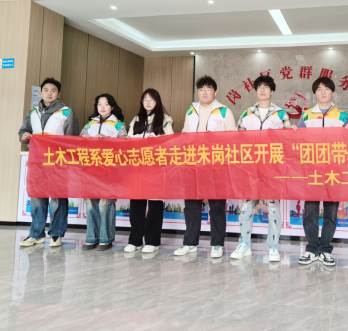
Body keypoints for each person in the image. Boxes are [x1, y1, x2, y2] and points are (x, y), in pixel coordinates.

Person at [230, 75, 292, 263]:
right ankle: (244, 244)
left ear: (272, 91)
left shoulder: (281, 114)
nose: (262, 90)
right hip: (250, 168)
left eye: (266, 87)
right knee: (247, 206)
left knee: (273, 207)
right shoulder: (246, 114)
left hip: (273, 168)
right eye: (259, 87)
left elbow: (288, 142)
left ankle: (273, 247)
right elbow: (238, 140)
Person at [174, 76, 236, 259]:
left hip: (216, 164)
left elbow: (234, 137)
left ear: (215, 92)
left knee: (217, 205)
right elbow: (185, 133)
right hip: (193, 163)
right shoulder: (191, 110)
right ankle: (190, 243)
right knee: (191, 205)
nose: (204, 92)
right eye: (201, 89)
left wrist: (215, 138)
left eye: (208, 89)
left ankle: (217, 243)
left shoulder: (224, 111)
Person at [294, 77, 348, 267]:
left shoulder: (342, 116)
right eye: (319, 89)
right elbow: (298, 141)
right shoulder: (306, 115)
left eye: (327, 89)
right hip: (312, 170)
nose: (323, 92)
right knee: (310, 212)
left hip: (333, 171)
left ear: (332, 92)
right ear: (314, 93)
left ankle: (326, 249)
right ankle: (312, 249)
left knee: (331, 213)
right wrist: (293, 132)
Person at [18, 78, 79, 248]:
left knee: (57, 198)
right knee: (37, 197)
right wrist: (24, 136)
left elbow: (73, 140)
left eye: (53, 90)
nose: (49, 93)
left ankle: (56, 234)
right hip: (37, 162)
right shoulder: (32, 113)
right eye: (46, 90)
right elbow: (23, 132)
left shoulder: (67, 113)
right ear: (41, 92)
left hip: (59, 163)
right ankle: (36, 234)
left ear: (59, 94)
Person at [124, 89, 174, 254]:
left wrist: (156, 141)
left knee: (154, 205)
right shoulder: (136, 119)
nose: (147, 102)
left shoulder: (165, 120)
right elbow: (129, 141)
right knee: (136, 205)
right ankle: (135, 240)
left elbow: (171, 144)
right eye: (145, 99)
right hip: (137, 168)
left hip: (156, 169)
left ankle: (152, 241)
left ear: (157, 101)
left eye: (151, 99)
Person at [81, 94, 127, 251]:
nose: (102, 107)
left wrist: (106, 139)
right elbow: (78, 143)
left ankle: (106, 239)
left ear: (112, 107)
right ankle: (91, 238)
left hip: (110, 171)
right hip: (91, 169)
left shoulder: (118, 125)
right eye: (99, 104)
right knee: (90, 202)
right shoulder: (90, 124)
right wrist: (84, 137)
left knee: (104, 203)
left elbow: (124, 146)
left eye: (106, 104)